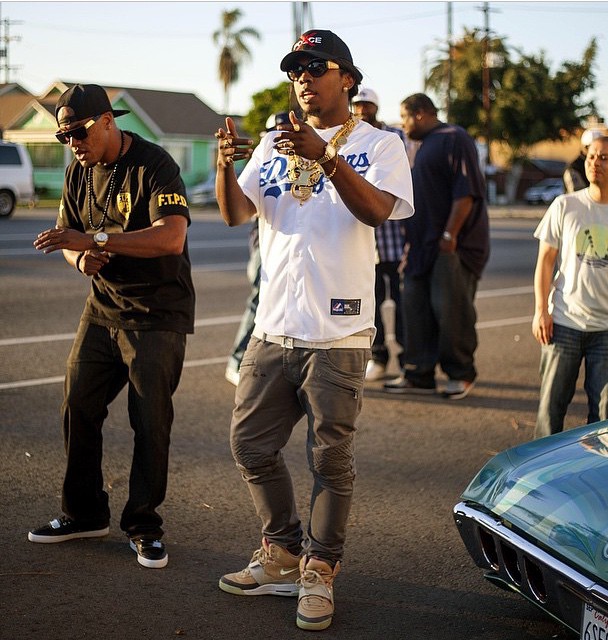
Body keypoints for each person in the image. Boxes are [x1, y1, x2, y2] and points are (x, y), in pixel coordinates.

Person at [214, 30, 413, 631]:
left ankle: (320, 571)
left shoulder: (381, 144)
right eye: (295, 69)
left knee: (331, 460)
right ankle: (281, 554)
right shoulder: (273, 145)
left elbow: (379, 211)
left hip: (338, 332)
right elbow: (235, 213)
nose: (303, 77)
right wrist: (226, 165)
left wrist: (325, 157)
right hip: (273, 328)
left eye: (315, 67)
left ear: (346, 79)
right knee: (249, 443)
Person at [30, 84, 196, 569]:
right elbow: (67, 239)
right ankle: (83, 513)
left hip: (157, 314)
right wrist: (80, 259)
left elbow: (171, 237)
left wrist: (96, 237)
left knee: (149, 421)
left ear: (107, 121)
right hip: (103, 308)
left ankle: (144, 525)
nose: (73, 144)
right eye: (64, 137)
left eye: (78, 132)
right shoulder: (77, 174)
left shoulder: (154, 164)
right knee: (77, 405)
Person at [532, 135, 608, 439]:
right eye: (591, 157)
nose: (595, 163)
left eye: (604, 158)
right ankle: (542, 479)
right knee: (550, 411)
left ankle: (595, 483)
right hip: (564, 322)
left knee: (604, 420)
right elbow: (544, 262)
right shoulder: (565, 205)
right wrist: (541, 311)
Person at [384, 93, 489, 399]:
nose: (402, 125)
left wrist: (449, 235)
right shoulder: (419, 146)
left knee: (451, 310)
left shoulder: (454, 138)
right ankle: (419, 374)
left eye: (404, 117)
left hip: (451, 246)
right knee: (414, 308)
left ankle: (461, 374)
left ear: (420, 113)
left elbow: (466, 192)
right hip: (419, 247)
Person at [224, 112, 289, 387]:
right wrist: (223, 164)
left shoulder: (299, 154)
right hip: (263, 246)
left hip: (282, 245)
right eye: (272, 130)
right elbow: (237, 211)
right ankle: (238, 360)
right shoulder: (265, 155)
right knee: (258, 301)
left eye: (282, 129)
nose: (276, 134)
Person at [352, 88, 407, 381]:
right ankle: (380, 357)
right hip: (366, 244)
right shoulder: (348, 138)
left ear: (375, 107)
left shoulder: (393, 138)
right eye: (358, 105)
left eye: (367, 105)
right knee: (370, 305)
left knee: (402, 303)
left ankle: (407, 359)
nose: (362, 110)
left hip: (395, 241)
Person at [563, 129, 603, 193]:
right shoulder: (574, 168)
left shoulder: (602, 164)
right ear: (586, 147)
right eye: (596, 148)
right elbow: (577, 197)